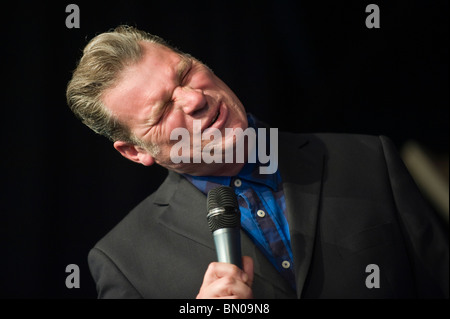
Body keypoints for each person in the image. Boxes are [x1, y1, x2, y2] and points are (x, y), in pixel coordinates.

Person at [66, 25, 448, 299]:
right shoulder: (124, 262)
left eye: (186, 72)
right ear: (136, 151)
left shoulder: (366, 160)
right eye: (164, 108)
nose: (194, 99)